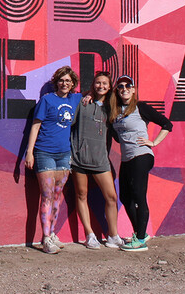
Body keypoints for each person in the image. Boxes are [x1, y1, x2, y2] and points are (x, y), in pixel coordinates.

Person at [110, 74, 172, 252]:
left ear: (134, 89)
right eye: (120, 86)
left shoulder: (140, 107)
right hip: (127, 157)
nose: (124, 89)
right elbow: (116, 134)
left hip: (142, 155)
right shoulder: (115, 111)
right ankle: (140, 234)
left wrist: (153, 142)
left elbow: (167, 124)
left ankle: (140, 240)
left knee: (138, 195)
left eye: (128, 86)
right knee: (125, 197)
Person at [24, 66, 82, 254]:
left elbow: (93, 95)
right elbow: (35, 126)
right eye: (61, 80)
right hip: (44, 153)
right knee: (47, 196)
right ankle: (45, 238)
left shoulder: (75, 99)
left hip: (64, 154)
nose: (64, 83)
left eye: (68, 81)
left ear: (73, 83)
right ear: (56, 82)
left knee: (57, 196)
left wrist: (88, 97)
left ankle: (52, 233)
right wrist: (29, 152)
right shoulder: (47, 100)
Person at [71, 71, 123, 249]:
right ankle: (90, 235)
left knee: (111, 197)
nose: (101, 86)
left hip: (101, 160)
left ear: (110, 87)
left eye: (105, 84)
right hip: (79, 159)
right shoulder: (82, 101)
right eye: (98, 83)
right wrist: (87, 95)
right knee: (81, 195)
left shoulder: (112, 107)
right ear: (93, 84)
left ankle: (113, 235)